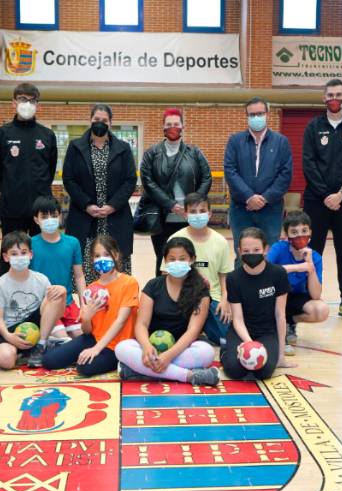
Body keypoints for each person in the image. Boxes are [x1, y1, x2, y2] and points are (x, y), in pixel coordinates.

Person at [302, 79, 342, 322]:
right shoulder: (313, 127)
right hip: (316, 201)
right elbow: (308, 164)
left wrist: (341, 193)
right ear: (323, 98)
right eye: (330, 94)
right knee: (312, 252)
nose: (334, 99)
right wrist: (325, 195)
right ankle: (309, 298)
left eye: (338, 94)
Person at [115, 237, 219, 386]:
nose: (177, 262)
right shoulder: (153, 285)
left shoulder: (200, 291)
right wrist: (146, 347)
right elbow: (142, 324)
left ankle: (139, 372)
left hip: (182, 348)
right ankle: (189, 376)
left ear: (192, 259)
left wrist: (168, 356)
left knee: (207, 352)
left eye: (182, 259)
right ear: (165, 260)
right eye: (172, 259)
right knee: (122, 348)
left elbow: (193, 331)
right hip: (151, 348)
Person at [62, 104, 138, 285]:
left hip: (115, 217)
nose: (100, 123)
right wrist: (87, 204)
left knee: (116, 269)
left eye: (104, 120)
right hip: (85, 216)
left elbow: (130, 180)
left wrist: (112, 205)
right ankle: (89, 302)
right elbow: (69, 179)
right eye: (96, 119)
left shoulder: (123, 148)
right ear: (90, 120)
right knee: (87, 269)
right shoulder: (75, 147)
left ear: (110, 123)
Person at [42, 235, 139, 376]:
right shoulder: (91, 289)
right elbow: (87, 331)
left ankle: (119, 361)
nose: (102, 259)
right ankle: (65, 347)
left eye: (107, 254)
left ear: (116, 255)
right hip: (93, 338)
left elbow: (121, 321)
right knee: (48, 361)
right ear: (92, 260)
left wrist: (96, 349)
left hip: (116, 345)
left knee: (84, 368)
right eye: (97, 256)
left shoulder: (129, 283)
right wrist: (87, 318)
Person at [0, 83, 58, 276]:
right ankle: (7, 290)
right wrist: (11, 191)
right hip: (12, 207)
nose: (27, 103)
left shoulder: (47, 135)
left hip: (40, 210)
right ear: (13, 102)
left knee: (40, 254)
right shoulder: (2, 134)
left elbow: (50, 170)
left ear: (37, 104)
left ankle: (41, 290)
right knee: (10, 253)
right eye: (22, 99)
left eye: (31, 100)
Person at [140, 108, 212, 276]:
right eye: (169, 124)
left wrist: (193, 205)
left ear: (182, 126)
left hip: (190, 218)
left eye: (176, 124)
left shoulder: (194, 152)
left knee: (191, 259)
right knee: (164, 259)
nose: (173, 127)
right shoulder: (152, 153)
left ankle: (190, 291)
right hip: (162, 217)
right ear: (163, 127)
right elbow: (148, 182)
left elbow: (206, 177)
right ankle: (162, 291)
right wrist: (171, 204)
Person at [221, 228, 295, 381]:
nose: (251, 254)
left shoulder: (278, 274)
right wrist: (250, 345)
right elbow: (237, 319)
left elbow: (280, 315)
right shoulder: (233, 278)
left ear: (265, 249)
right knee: (235, 371)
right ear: (239, 252)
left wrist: (281, 355)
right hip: (241, 331)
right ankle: (225, 350)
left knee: (264, 372)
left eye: (256, 250)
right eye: (246, 251)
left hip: (267, 332)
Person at [162, 192, 233, 346]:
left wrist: (225, 299)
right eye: (193, 211)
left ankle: (200, 330)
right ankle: (195, 331)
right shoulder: (175, 239)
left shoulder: (220, 242)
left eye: (202, 211)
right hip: (182, 296)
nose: (198, 215)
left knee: (225, 339)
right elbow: (165, 273)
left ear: (210, 213)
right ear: (185, 214)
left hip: (211, 297)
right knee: (172, 335)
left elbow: (224, 275)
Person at [224, 97, 292, 253]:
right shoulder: (235, 141)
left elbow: (285, 174)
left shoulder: (281, 142)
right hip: (241, 208)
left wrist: (265, 198)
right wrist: (249, 197)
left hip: (271, 209)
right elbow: (230, 170)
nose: (256, 117)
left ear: (267, 114)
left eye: (260, 113)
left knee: (270, 253)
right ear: (247, 116)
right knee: (242, 254)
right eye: (252, 114)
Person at [0, 231, 67, 369]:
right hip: (11, 330)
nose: (19, 257)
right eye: (14, 254)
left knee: (56, 293)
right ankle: (31, 351)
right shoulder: (0, 284)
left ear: (31, 254)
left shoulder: (41, 279)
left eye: (23, 252)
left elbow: (58, 312)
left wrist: (62, 293)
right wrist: (8, 336)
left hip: (37, 325)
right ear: (6, 257)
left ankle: (41, 345)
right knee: (5, 360)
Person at [267, 211, 329, 356]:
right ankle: (275, 332)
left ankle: (289, 322)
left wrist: (310, 266)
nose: (300, 236)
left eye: (304, 231)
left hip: (296, 298)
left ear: (310, 232)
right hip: (274, 296)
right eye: (294, 232)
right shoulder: (278, 248)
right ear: (286, 234)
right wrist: (297, 267)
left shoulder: (315, 257)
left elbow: (316, 295)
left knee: (321, 310)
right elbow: (265, 270)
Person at [31, 195, 86, 340]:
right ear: (36, 219)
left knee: (82, 337)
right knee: (63, 339)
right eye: (44, 217)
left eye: (54, 215)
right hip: (45, 305)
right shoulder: (30, 244)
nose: (50, 220)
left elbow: (79, 276)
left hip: (68, 304)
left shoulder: (72, 242)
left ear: (60, 216)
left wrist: (84, 304)